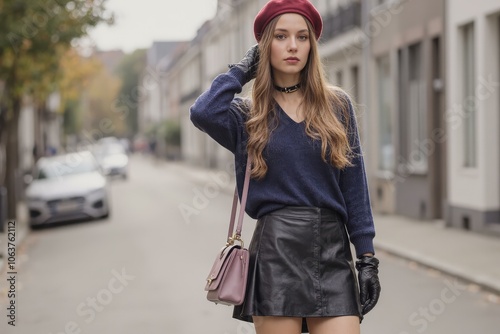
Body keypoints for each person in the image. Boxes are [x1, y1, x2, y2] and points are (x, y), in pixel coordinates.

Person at [190, 0, 380, 333]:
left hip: (333, 251)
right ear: (264, 47)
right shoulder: (246, 115)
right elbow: (203, 112)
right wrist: (241, 70)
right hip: (276, 255)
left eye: (302, 37)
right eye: (280, 36)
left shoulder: (338, 105)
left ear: (312, 46)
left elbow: (355, 187)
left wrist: (367, 259)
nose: (293, 45)